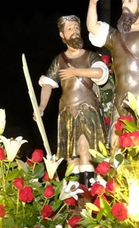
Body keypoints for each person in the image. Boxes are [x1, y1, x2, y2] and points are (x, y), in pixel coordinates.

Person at [37, 14, 110, 170]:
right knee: (71, 157)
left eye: (76, 27)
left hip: (87, 110)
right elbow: (48, 83)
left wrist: (75, 71)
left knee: (84, 150)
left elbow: (100, 73)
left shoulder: (90, 56)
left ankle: (88, 185)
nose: (75, 31)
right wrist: (41, 106)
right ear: (62, 35)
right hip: (67, 111)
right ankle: (74, 186)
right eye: (70, 28)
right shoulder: (59, 60)